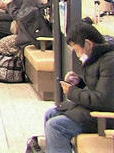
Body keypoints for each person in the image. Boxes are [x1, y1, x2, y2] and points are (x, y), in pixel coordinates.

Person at [42, 22, 114, 153]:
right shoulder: (98, 58)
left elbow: (104, 100)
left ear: (87, 44)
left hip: (106, 117)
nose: (77, 54)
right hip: (94, 112)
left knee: (56, 126)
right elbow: (99, 89)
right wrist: (79, 83)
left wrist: (72, 92)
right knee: (50, 114)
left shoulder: (109, 62)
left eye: (76, 50)